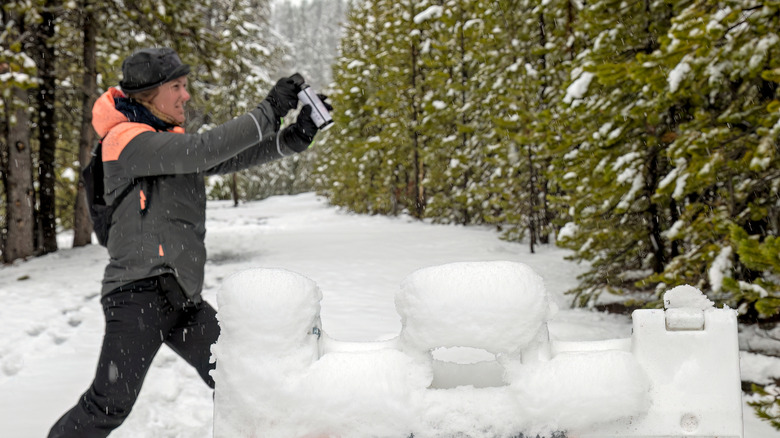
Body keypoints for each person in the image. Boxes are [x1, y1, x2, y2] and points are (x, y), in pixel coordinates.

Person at [48, 47, 331, 437]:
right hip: (137, 298)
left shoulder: (165, 144)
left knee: (238, 380)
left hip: (182, 297)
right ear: (149, 95)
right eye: (177, 87)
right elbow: (202, 151)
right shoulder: (125, 141)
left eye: (186, 86)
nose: (186, 95)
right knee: (108, 404)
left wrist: (294, 138)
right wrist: (269, 109)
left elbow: (226, 159)